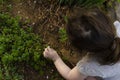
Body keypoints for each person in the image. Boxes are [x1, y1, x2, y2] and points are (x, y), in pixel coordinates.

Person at [43, 8, 120, 80]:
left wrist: (56, 58)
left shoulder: (90, 65)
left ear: (82, 49)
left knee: (89, 77)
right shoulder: (118, 28)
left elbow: (70, 76)